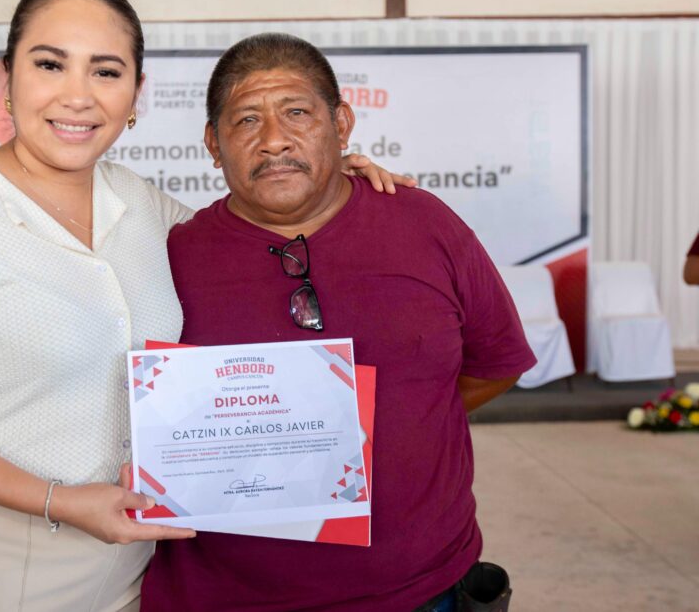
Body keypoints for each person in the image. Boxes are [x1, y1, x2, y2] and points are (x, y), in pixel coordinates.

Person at [0, 0, 411, 611]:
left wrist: (326, 180)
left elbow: (253, 242)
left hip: (131, 574)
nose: (77, 95)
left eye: (106, 72)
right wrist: (58, 500)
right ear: (8, 77)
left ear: (136, 93)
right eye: (50, 64)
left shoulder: (139, 203)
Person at [140, 33, 537, 612]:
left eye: (297, 113)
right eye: (246, 120)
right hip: (224, 598)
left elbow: (496, 363)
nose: (274, 139)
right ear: (213, 144)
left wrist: (393, 422)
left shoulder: (425, 224)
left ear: (342, 124)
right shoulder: (170, 254)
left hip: (421, 591)